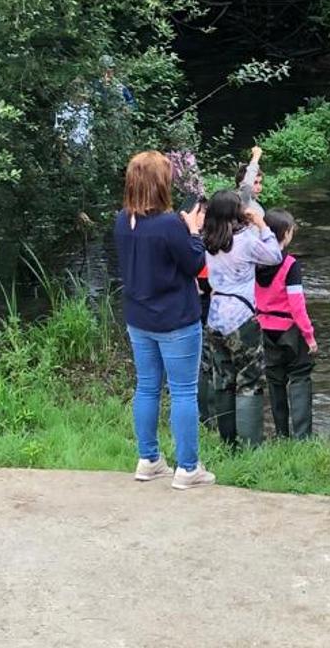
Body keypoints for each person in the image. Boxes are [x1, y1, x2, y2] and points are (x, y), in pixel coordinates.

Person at [113, 150, 213, 490]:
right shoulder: (170, 224)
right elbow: (195, 265)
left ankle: (149, 459)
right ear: (160, 183)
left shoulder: (122, 219)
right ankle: (187, 468)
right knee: (183, 391)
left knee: (147, 386)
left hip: (138, 317)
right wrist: (194, 231)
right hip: (175, 320)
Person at [201, 189, 283, 449]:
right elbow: (274, 256)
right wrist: (262, 225)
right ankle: (251, 445)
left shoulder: (207, 239)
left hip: (214, 317)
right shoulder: (246, 239)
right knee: (248, 381)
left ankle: (228, 443)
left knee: (222, 381)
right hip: (241, 317)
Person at [255, 209, 317, 439]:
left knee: (275, 380)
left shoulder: (255, 260)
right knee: (300, 376)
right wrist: (309, 335)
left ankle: (281, 434)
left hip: (263, 327)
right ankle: (303, 436)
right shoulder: (290, 265)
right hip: (289, 329)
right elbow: (297, 304)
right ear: (287, 234)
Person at [236, 145, 266, 219]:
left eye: (260, 183)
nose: (259, 188)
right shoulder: (242, 199)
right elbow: (247, 185)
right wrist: (256, 157)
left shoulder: (254, 203)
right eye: (255, 183)